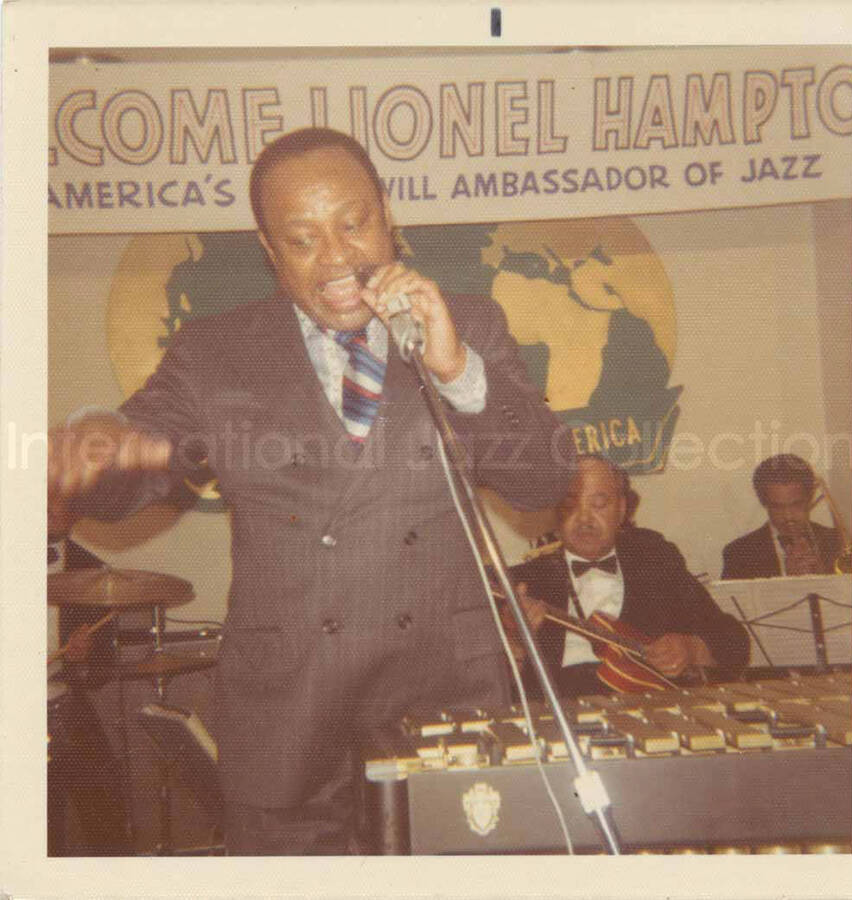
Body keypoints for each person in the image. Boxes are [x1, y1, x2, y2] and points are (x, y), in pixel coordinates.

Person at [47, 127, 575, 854]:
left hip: (441, 685)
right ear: (269, 249)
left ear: (386, 213)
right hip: (287, 706)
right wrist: (96, 446)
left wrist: (458, 369)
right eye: (301, 239)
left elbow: (544, 480)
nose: (336, 257)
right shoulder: (214, 351)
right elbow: (133, 465)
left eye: (353, 224)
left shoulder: (470, 322)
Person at [506, 455, 749, 698]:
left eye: (599, 504)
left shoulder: (655, 561)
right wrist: (515, 642)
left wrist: (692, 649)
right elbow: (488, 684)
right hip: (559, 715)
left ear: (621, 509)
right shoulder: (525, 582)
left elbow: (733, 640)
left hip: (650, 710)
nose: (584, 519)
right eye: (570, 505)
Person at [47, 497, 131, 855]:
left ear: (77, 510)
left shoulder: (94, 571)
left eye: (59, 498)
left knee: (107, 815)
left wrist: (82, 660)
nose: (48, 504)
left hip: (64, 701)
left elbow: (102, 669)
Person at [721, 454, 842, 580]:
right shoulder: (738, 554)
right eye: (777, 507)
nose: (788, 516)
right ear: (764, 503)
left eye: (796, 504)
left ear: (809, 499)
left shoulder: (836, 542)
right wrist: (786, 579)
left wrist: (825, 578)